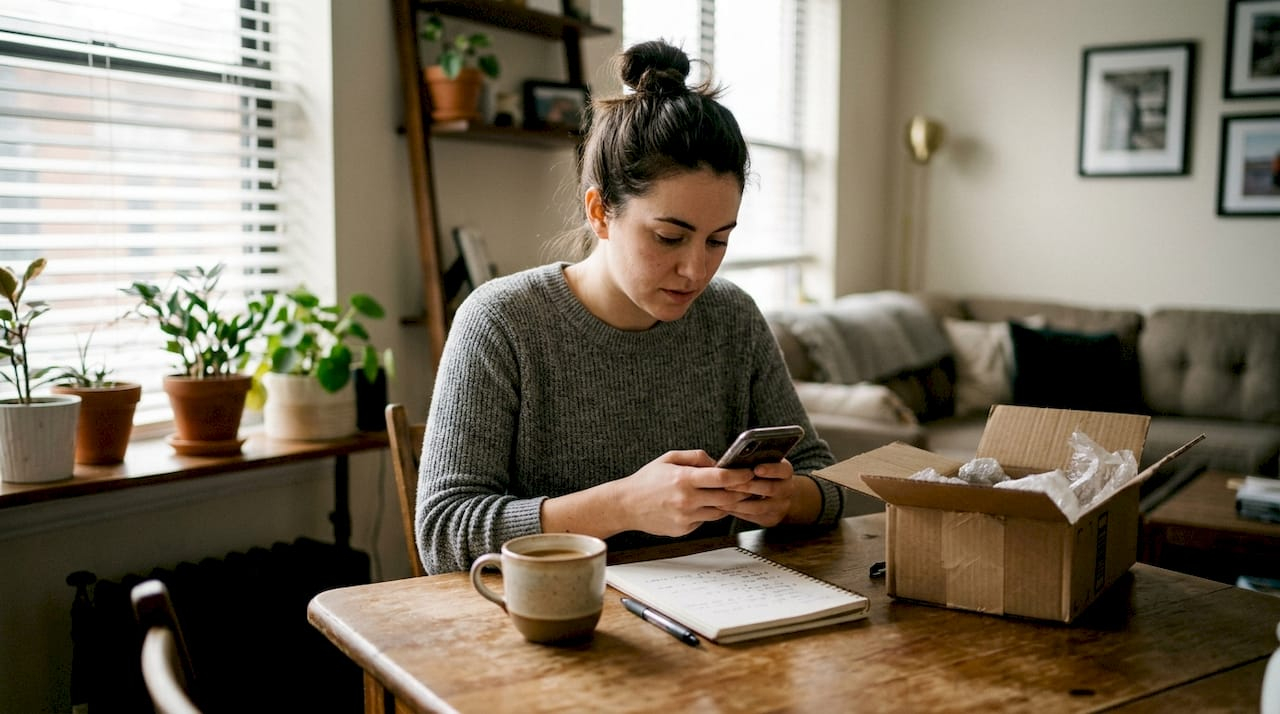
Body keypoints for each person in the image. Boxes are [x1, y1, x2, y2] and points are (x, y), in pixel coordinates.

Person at [416, 40, 843, 575]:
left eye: (718, 240)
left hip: (713, 619)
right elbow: (442, 534)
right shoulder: (502, 322)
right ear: (600, 212)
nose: (696, 270)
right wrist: (623, 506)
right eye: (669, 236)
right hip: (553, 624)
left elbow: (824, 479)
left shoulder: (731, 316)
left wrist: (790, 499)